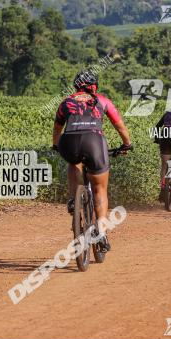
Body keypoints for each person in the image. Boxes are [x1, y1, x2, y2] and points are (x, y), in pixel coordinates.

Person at [53, 70, 132, 251]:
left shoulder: (65, 102)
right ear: (94, 86)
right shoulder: (103, 101)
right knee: (100, 189)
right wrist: (126, 144)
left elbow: (57, 129)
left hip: (69, 140)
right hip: (94, 141)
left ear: (76, 86)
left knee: (73, 162)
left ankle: (73, 199)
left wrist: (57, 146)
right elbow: (120, 126)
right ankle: (101, 234)